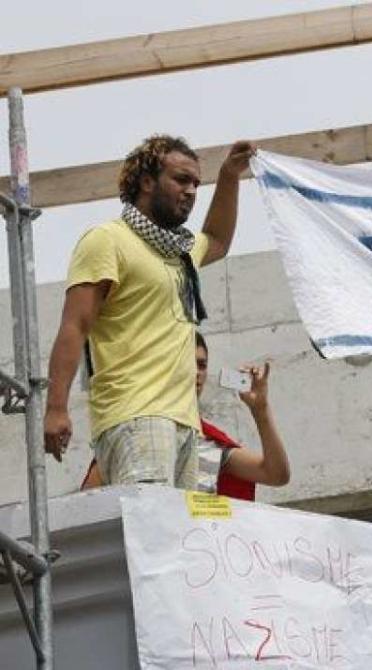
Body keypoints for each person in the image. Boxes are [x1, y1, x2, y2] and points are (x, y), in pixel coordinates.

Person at [44, 135, 255, 490]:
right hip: (137, 415)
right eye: (180, 179)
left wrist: (230, 175)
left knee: (176, 538)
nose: (190, 191)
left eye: (196, 184)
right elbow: (75, 325)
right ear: (146, 182)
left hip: (184, 422)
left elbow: (217, 239)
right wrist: (56, 407)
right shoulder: (107, 239)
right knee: (154, 533)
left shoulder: (180, 252)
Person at [81, 332, 291, 499]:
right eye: (186, 362)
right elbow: (88, 507)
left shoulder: (209, 442)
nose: (196, 372)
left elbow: (276, 474)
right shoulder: (136, 433)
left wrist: (260, 409)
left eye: (202, 365)